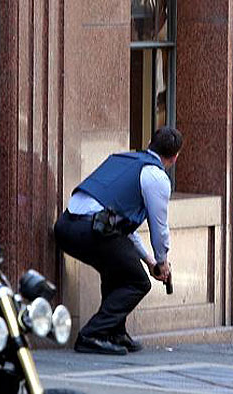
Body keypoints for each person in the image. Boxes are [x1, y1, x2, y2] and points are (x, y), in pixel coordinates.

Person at [54, 126, 182, 355]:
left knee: (117, 269)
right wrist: (162, 262)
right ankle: (92, 335)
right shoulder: (156, 177)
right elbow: (159, 228)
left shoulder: (124, 159)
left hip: (67, 226)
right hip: (92, 229)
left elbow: (120, 227)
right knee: (138, 282)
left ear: (150, 142)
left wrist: (150, 260)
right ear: (175, 156)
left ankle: (114, 331)